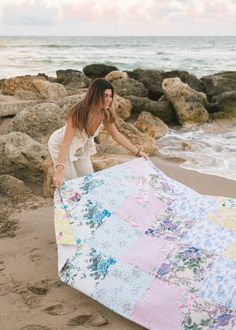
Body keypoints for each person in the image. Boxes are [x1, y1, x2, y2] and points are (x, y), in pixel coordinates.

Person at [48, 78, 148, 190]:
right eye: (105, 96)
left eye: (110, 96)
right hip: (60, 145)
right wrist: (59, 171)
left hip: (81, 148)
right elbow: (65, 144)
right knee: (72, 185)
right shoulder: (78, 112)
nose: (109, 99)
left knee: (89, 183)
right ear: (95, 95)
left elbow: (116, 135)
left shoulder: (105, 113)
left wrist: (138, 152)